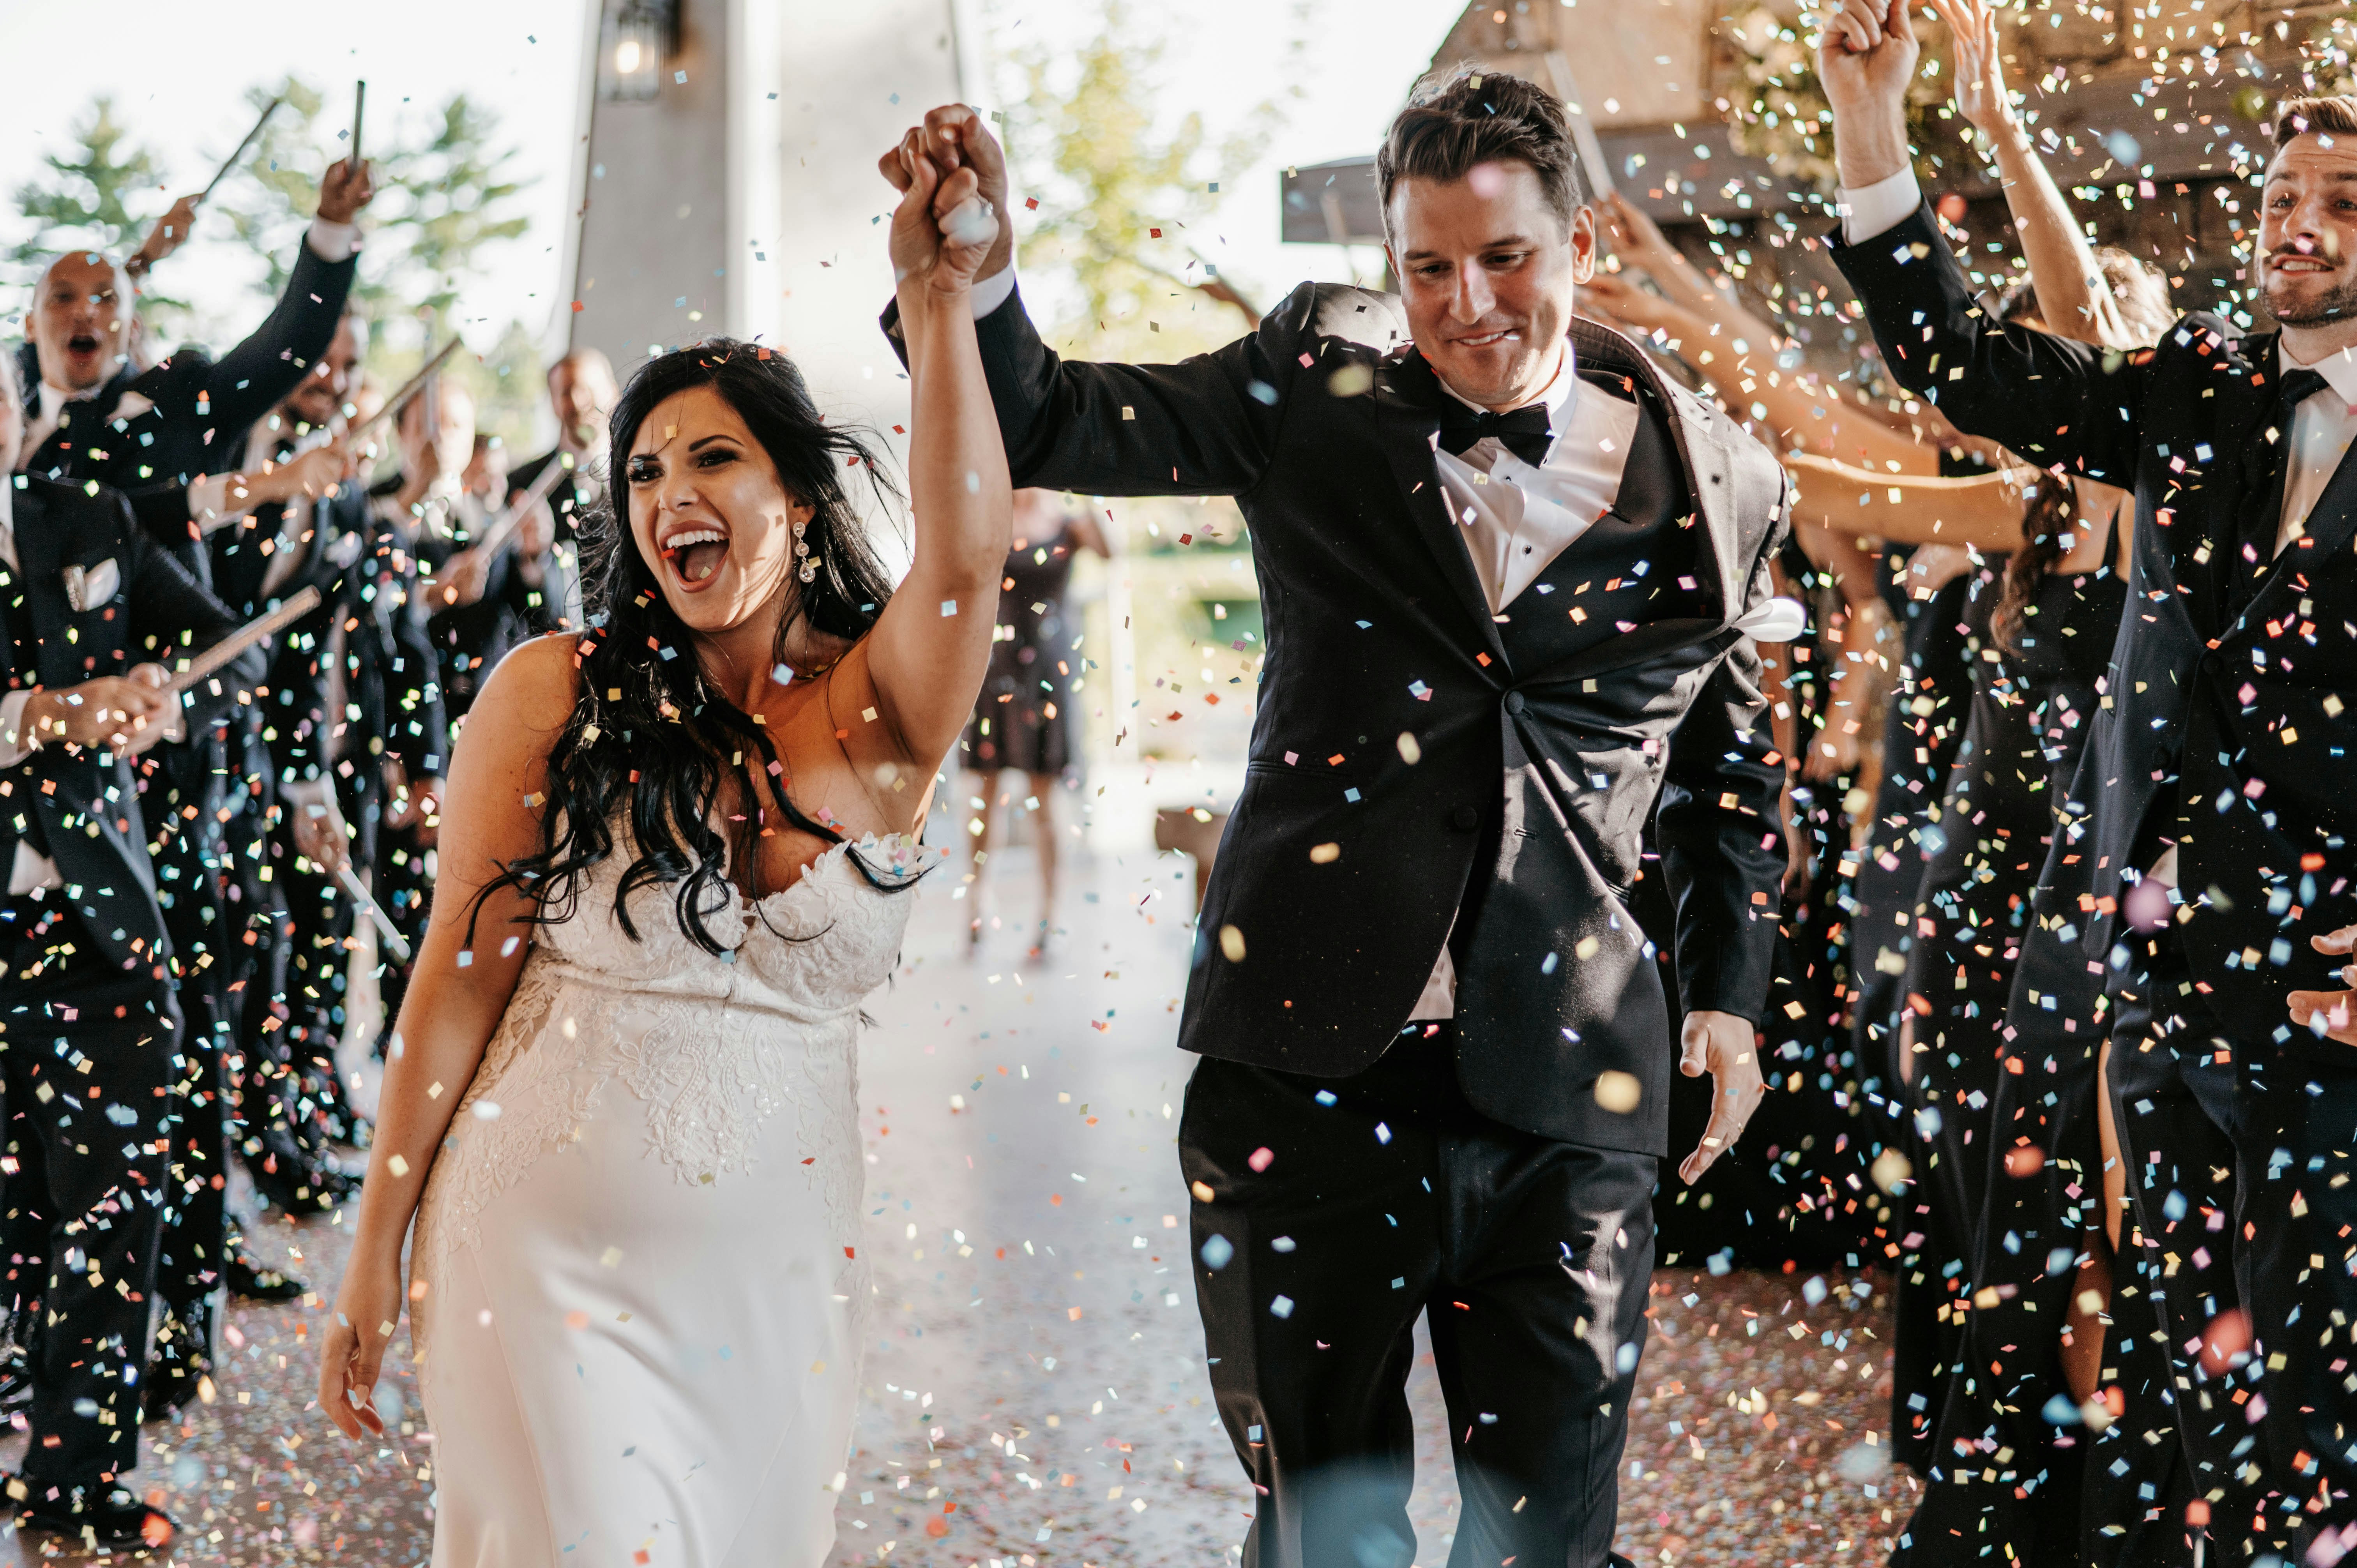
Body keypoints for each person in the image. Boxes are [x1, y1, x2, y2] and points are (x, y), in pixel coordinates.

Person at [881, 74, 1789, 1566]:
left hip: (1568, 1090)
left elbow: (1729, 786)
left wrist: (1729, 1005)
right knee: (1322, 1528)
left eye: (1502, 257)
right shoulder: (1315, 378)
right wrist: (971, 261)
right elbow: (1053, 416)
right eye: (1427, 264)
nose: (1464, 301)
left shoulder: (1720, 481)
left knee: (1546, 1535)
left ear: (1575, 244)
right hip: (1304, 1071)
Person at [316, 132, 1007, 1567]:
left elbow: (963, 552)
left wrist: (939, 306)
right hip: (535, 1244)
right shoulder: (552, 690)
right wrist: (376, 1236)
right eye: (640, 471)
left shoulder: (882, 717)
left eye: (711, 456)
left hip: (774, 1278)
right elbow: (455, 969)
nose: (666, 491)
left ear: (801, 494)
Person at [1821, 4, 2357, 1556]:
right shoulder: (2195, 383)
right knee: (2203, 1413)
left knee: (2320, 1429)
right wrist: (1875, 129)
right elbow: (1963, 360)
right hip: (2164, 1005)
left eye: (2342, 204)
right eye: (2279, 202)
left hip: (2331, 1018)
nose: (2300, 231)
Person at [0, 365, 260, 1550]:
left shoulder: (82, 516)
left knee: (109, 1223)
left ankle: (73, 1480)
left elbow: (235, 657)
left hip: (100, 940)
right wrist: (47, 714)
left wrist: (167, 699)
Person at [962, 486, 1107, 955]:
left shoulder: (1072, 522)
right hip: (995, 668)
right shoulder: (991, 515)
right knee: (986, 794)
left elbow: (1111, 553)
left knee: (1045, 800)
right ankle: (978, 900)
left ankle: (1049, 912)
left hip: (1049, 671)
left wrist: (1088, 493)